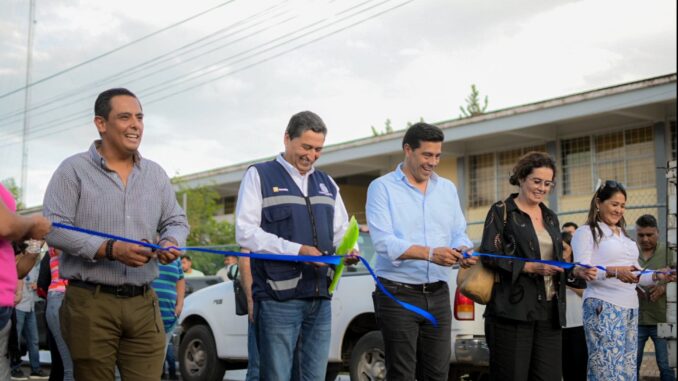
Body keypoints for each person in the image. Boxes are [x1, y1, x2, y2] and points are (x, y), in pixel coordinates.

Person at [43, 88, 189, 381]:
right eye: (125, 117)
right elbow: (54, 228)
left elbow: (176, 220)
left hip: (144, 303)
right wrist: (109, 249)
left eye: (139, 117)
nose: (136, 125)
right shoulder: (73, 170)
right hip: (90, 302)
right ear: (101, 123)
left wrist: (170, 241)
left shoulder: (155, 174)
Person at [235, 110, 357, 380]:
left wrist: (348, 250)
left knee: (314, 376)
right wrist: (297, 251)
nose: (311, 155)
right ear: (287, 138)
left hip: (320, 299)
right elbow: (245, 233)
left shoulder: (328, 184)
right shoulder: (260, 175)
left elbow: (340, 232)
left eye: (318, 150)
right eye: (306, 147)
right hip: (279, 299)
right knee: (276, 375)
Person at [365, 122, 476, 380]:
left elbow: (459, 231)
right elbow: (383, 242)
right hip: (397, 294)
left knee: (437, 374)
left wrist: (463, 248)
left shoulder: (447, 189)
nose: (433, 162)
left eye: (437, 155)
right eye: (427, 155)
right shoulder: (381, 188)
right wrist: (430, 253)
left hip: (438, 294)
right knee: (402, 374)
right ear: (408, 150)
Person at [479, 151, 596, 381]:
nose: (542, 188)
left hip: (549, 312)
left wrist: (575, 270)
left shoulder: (550, 217)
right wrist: (529, 267)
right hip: (512, 312)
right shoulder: (502, 211)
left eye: (547, 183)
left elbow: (555, 262)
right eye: (536, 181)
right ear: (522, 178)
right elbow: (489, 255)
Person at [572, 180, 676, 380]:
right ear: (598, 203)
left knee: (627, 371)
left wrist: (658, 275)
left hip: (630, 308)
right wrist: (614, 272)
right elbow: (584, 271)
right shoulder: (586, 232)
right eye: (614, 204)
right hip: (603, 305)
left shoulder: (624, 236)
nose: (619, 210)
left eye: (622, 205)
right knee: (606, 370)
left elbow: (635, 274)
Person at [635, 214, 676, 381]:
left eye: (649, 235)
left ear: (657, 233)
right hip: (634, 321)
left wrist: (664, 288)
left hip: (661, 319)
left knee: (666, 366)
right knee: (631, 365)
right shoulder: (629, 252)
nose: (645, 239)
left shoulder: (668, 252)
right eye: (640, 235)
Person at [12, 262, 47, 379]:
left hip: (31, 306)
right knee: (15, 340)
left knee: (34, 339)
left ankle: (35, 369)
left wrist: (38, 285)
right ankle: (14, 368)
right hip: (18, 306)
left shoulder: (36, 265)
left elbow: (38, 282)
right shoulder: (19, 261)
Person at [151, 258, 185, 380]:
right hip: (144, 317)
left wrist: (180, 304)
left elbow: (180, 279)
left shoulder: (175, 257)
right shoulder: (145, 247)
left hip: (169, 318)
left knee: (159, 362)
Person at [560, 231, 587, 381]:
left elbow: (585, 292)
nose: (560, 252)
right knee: (566, 369)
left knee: (580, 368)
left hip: (578, 324)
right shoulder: (552, 268)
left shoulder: (579, 269)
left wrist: (566, 282)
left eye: (563, 248)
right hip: (561, 325)